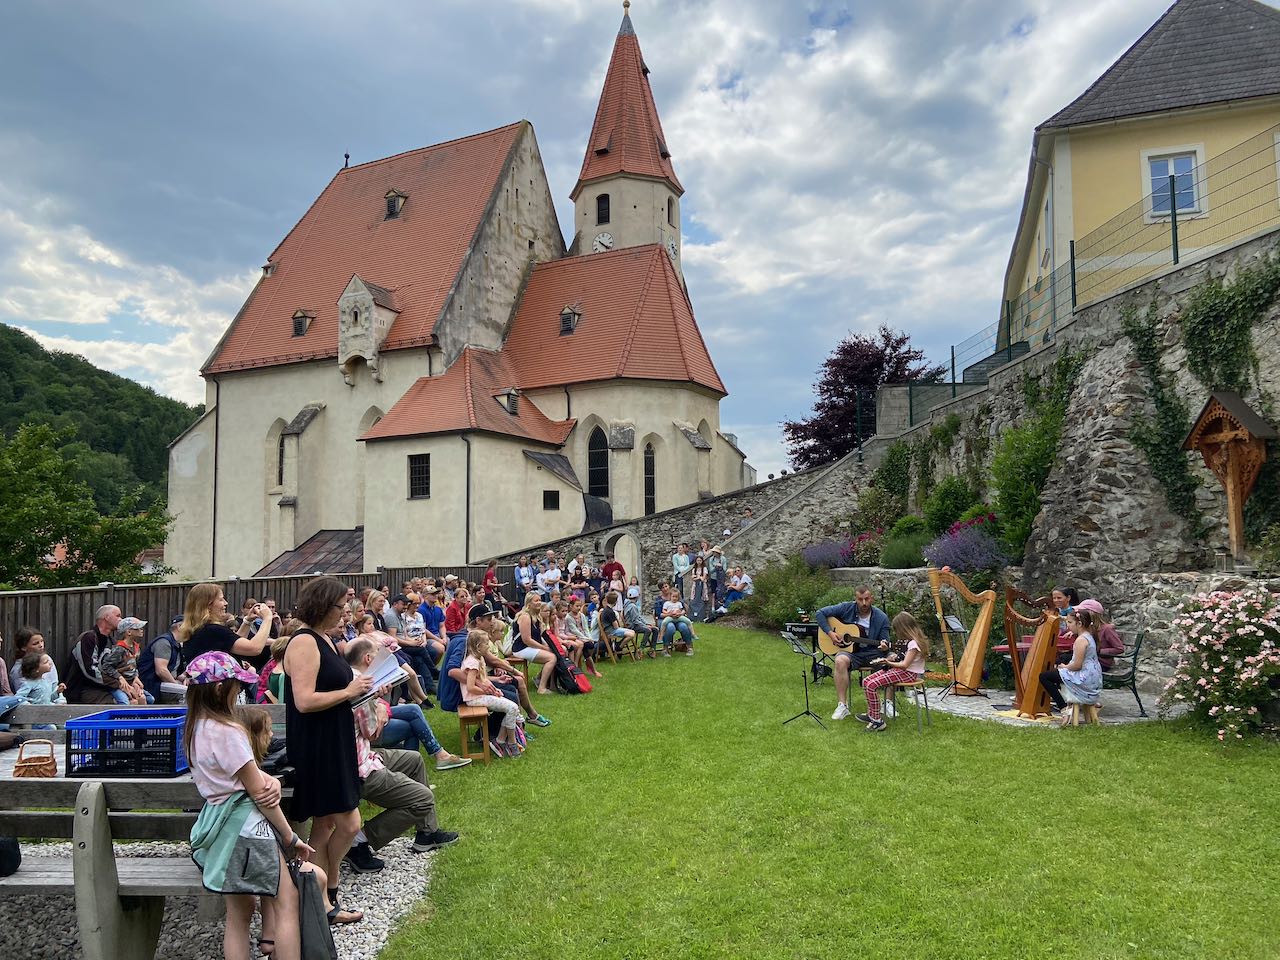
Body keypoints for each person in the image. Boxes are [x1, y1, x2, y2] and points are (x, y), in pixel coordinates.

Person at [184, 651, 335, 959]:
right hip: (247, 830)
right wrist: (291, 837)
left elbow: (245, 777)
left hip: (219, 829)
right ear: (218, 689)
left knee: (238, 915)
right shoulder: (228, 731)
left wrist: (271, 781)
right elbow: (259, 793)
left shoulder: (195, 728)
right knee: (287, 901)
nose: (240, 692)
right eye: (236, 685)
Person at [282, 576, 371, 921]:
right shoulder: (304, 642)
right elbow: (304, 701)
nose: (345, 612)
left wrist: (358, 689)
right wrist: (348, 692)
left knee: (324, 827)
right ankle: (324, 891)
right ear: (322, 606)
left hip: (334, 737)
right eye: (340, 606)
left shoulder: (325, 640)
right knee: (349, 824)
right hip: (317, 744)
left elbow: (335, 687)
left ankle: (323, 900)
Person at [341, 639, 463, 873]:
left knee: (414, 760)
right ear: (369, 659)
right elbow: (373, 732)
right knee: (423, 798)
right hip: (358, 765)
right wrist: (381, 705)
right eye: (377, 654)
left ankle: (427, 833)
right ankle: (357, 842)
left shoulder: (356, 679)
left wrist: (380, 704)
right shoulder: (359, 684)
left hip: (363, 753)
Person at [819, 588, 892, 722]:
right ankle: (842, 706)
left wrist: (884, 645)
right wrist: (830, 633)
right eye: (860, 599)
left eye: (867, 599)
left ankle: (888, 703)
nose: (864, 603)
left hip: (873, 652)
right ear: (855, 599)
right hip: (852, 653)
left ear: (872, 598)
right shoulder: (846, 608)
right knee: (840, 660)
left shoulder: (881, 617)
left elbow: (885, 639)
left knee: (891, 659)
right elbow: (820, 613)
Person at [857, 612, 930, 732]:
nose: (897, 634)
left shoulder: (913, 643)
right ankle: (871, 714)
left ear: (903, 629)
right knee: (866, 681)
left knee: (871, 685)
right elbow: (903, 658)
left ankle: (877, 721)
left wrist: (887, 663)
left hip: (907, 674)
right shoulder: (910, 642)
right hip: (902, 671)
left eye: (897, 630)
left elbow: (905, 665)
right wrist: (893, 657)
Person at [461, 628, 526, 757]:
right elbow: (470, 687)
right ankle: (511, 743)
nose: (488, 647)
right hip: (474, 698)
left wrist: (496, 684)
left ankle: (501, 740)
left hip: (480, 695)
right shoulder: (473, 662)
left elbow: (482, 679)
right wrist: (488, 692)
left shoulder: (478, 659)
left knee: (512, 707)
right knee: (512, 707)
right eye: (486, 644)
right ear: (478, 646)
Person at [178, 585, 275, 662]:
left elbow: (232, 642)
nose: (226, 603)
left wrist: (247, 621)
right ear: (208, 605)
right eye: (221, 599)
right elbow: (254, 648)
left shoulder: (197, 630)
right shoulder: (213, 630)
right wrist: (267, 618)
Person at [1040, 610, 1103, 720]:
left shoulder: (1081, 640)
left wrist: (1065, 667)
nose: (1067, 625)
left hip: (1083, 678)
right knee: (1056, 673)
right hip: (1092, 677)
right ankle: (1067, 704)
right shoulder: (1089, 635)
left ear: (1079, 624)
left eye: (1069, 622)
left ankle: (1064, 708)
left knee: (1044, 677)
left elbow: (1077, 666)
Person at [65, 604, 122, 704]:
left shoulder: (112, 642)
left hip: (104, 687)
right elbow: (89, 670)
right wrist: (117, 684)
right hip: (82, 689)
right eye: (118, 616)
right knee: (122, 704)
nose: (121, 619)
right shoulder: (88, 638)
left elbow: (116, 667)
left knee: (139, 698)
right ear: (107, 617)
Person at [512, 592, 557, 695]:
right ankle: (541, 688)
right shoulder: (525, 617)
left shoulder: (536, 616)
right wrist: (544, 648)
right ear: (529, 603)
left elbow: (541, 636)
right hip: (520, 648)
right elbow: (527, 640)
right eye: (536, 601)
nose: (539, 602)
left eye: (540, 600)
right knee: (551, 658)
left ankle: (542, 680)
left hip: (529, 646)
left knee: (555, 654)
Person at [99, 617, 152, 705]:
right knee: (125, 702)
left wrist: (135, 678)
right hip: (117, 684)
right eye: (137, 628)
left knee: (149, 699)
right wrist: (119, 677)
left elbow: (133, 666)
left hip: (131, 682)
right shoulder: (119, 649)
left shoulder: (136, 648)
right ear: (129, 632)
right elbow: (106, 666)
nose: (141, 630)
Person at [138, 615, 185, 702]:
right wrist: (177, 686)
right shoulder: (164, 642)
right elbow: (161, 671)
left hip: (166, 683)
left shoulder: (177, 644)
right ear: (180, 627)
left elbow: (175, 670)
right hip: (154, 685)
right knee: (185, 694)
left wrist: (186, 678)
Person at [1075, 598, 1126, 669]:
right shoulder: (1086, 627)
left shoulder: (1107, 629)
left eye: (1080, 612)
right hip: (1087, 659)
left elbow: (1119, 648)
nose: (1077, 615)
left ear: (1091, 614)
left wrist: (1099, 651)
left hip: (1101, 662)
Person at [9, 627, 58, 700]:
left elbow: (54, 684)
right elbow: (20, 696)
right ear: (23, 647)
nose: (41, 645)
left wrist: (60, 699)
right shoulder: (18, 669)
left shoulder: (47, 659)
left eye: (42, 641)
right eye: (35, 643)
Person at [659, 588, 696, 656]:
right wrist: (668, 614)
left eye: (666, 586)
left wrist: (680, 613)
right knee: (670, 628)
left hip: (678, 618)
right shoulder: (661, 600)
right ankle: (665, 648)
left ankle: (689, 647)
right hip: (668, 617)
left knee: (684, 627)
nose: (665, 589)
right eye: (663, 587)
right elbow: (659, 613)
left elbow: (683, 609)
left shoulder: (679, 602)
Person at [622, 590, 659, 657]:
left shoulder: (631, 605)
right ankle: (640, 649)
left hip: (636, 624)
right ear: (637, 597)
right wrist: (646, 626)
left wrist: (646, 624)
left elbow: (639, 617)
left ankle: (652, 649)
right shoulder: (632, 606)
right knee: (648, 630)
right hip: (632, 626)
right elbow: (635, 620)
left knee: (655, 629)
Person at [689, 555, 709, 621]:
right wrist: (698, 577)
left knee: (703, 598)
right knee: (694, 598)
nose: (699, 562)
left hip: (702, 585)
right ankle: (695, 614)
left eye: (700, 560)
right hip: (695, 585)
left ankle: (704, 614)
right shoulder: (694, 569)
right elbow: (692, 578)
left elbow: (703, 578)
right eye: (697, 560)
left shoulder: (704, 569)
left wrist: (698, 577)